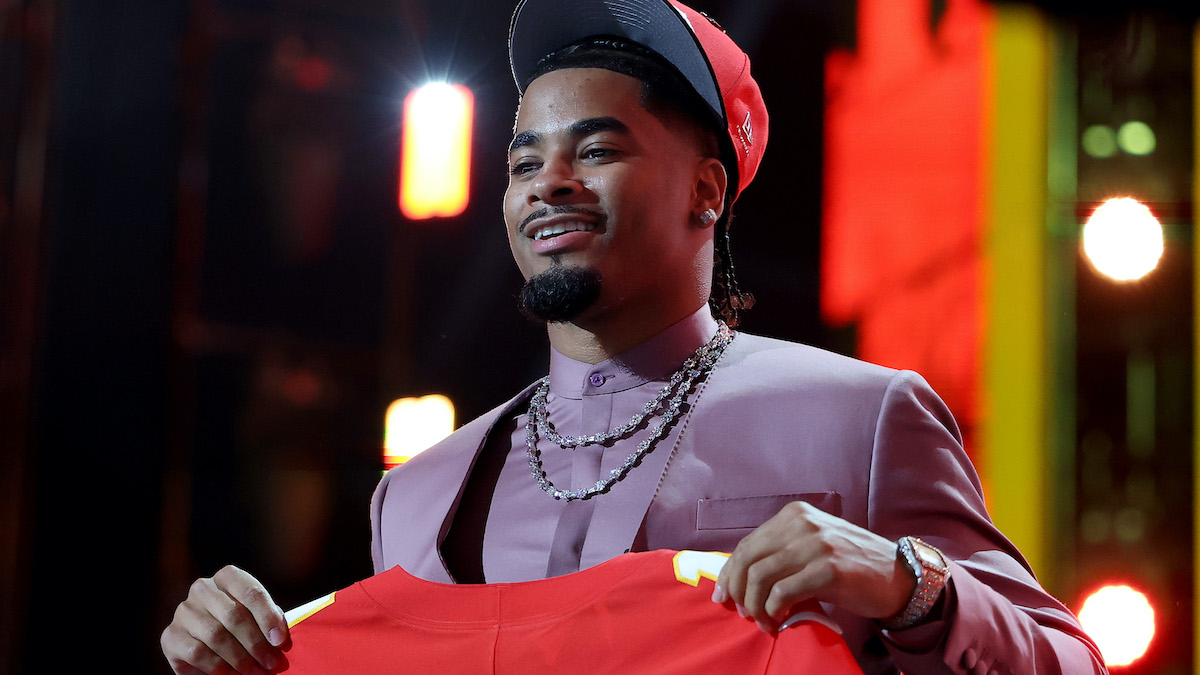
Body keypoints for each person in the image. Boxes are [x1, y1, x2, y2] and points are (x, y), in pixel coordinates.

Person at [161, 0, 1108, 673]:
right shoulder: (416, 494)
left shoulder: (861, 417)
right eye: (524, 162)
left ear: (705, 189)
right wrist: (236, 653)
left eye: (597, 149)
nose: (549, 182)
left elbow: (1070, 661)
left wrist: (911, 583)